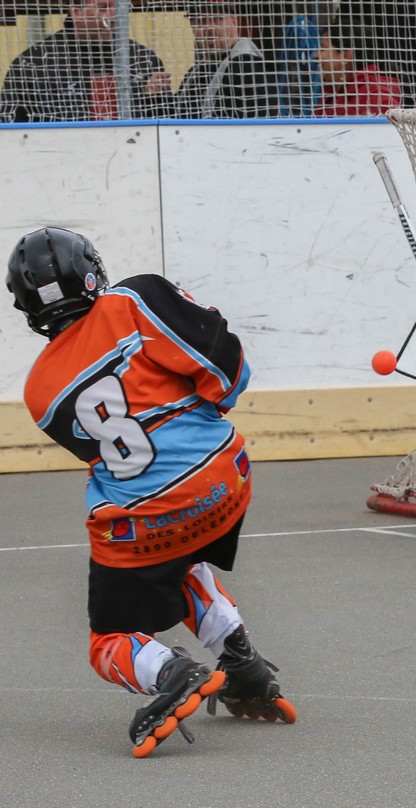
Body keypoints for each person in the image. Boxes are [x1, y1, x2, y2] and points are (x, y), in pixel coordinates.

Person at [5, 228, 296, 757]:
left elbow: (105, 458)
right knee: (177, 561)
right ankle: (241, 661)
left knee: (108, 639)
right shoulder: (133, 299)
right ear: (90, 274)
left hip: (148, 516)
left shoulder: (38, 390)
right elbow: (229, 369)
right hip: (226, 480)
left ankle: (170, 671)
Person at [0, 0, 174, 122]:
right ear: (76, 12)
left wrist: (153, 97)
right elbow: (8, 122)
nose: (114, 16)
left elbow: (166, 121)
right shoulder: (34, 62)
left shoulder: (142, 58)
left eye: (119, 8)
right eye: (103, 8)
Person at [173, 0, 277, 119]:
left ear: (234, 22)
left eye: (217, 19)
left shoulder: (247, 69)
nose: (209, 27)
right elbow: (177, 116)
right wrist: (158, 95)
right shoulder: (197, 72)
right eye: (201, 21)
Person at [314, 19, 402, 117]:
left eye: (323, 48)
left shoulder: (376, 95)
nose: (316, 56)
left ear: (345, 56)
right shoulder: (330, 94)